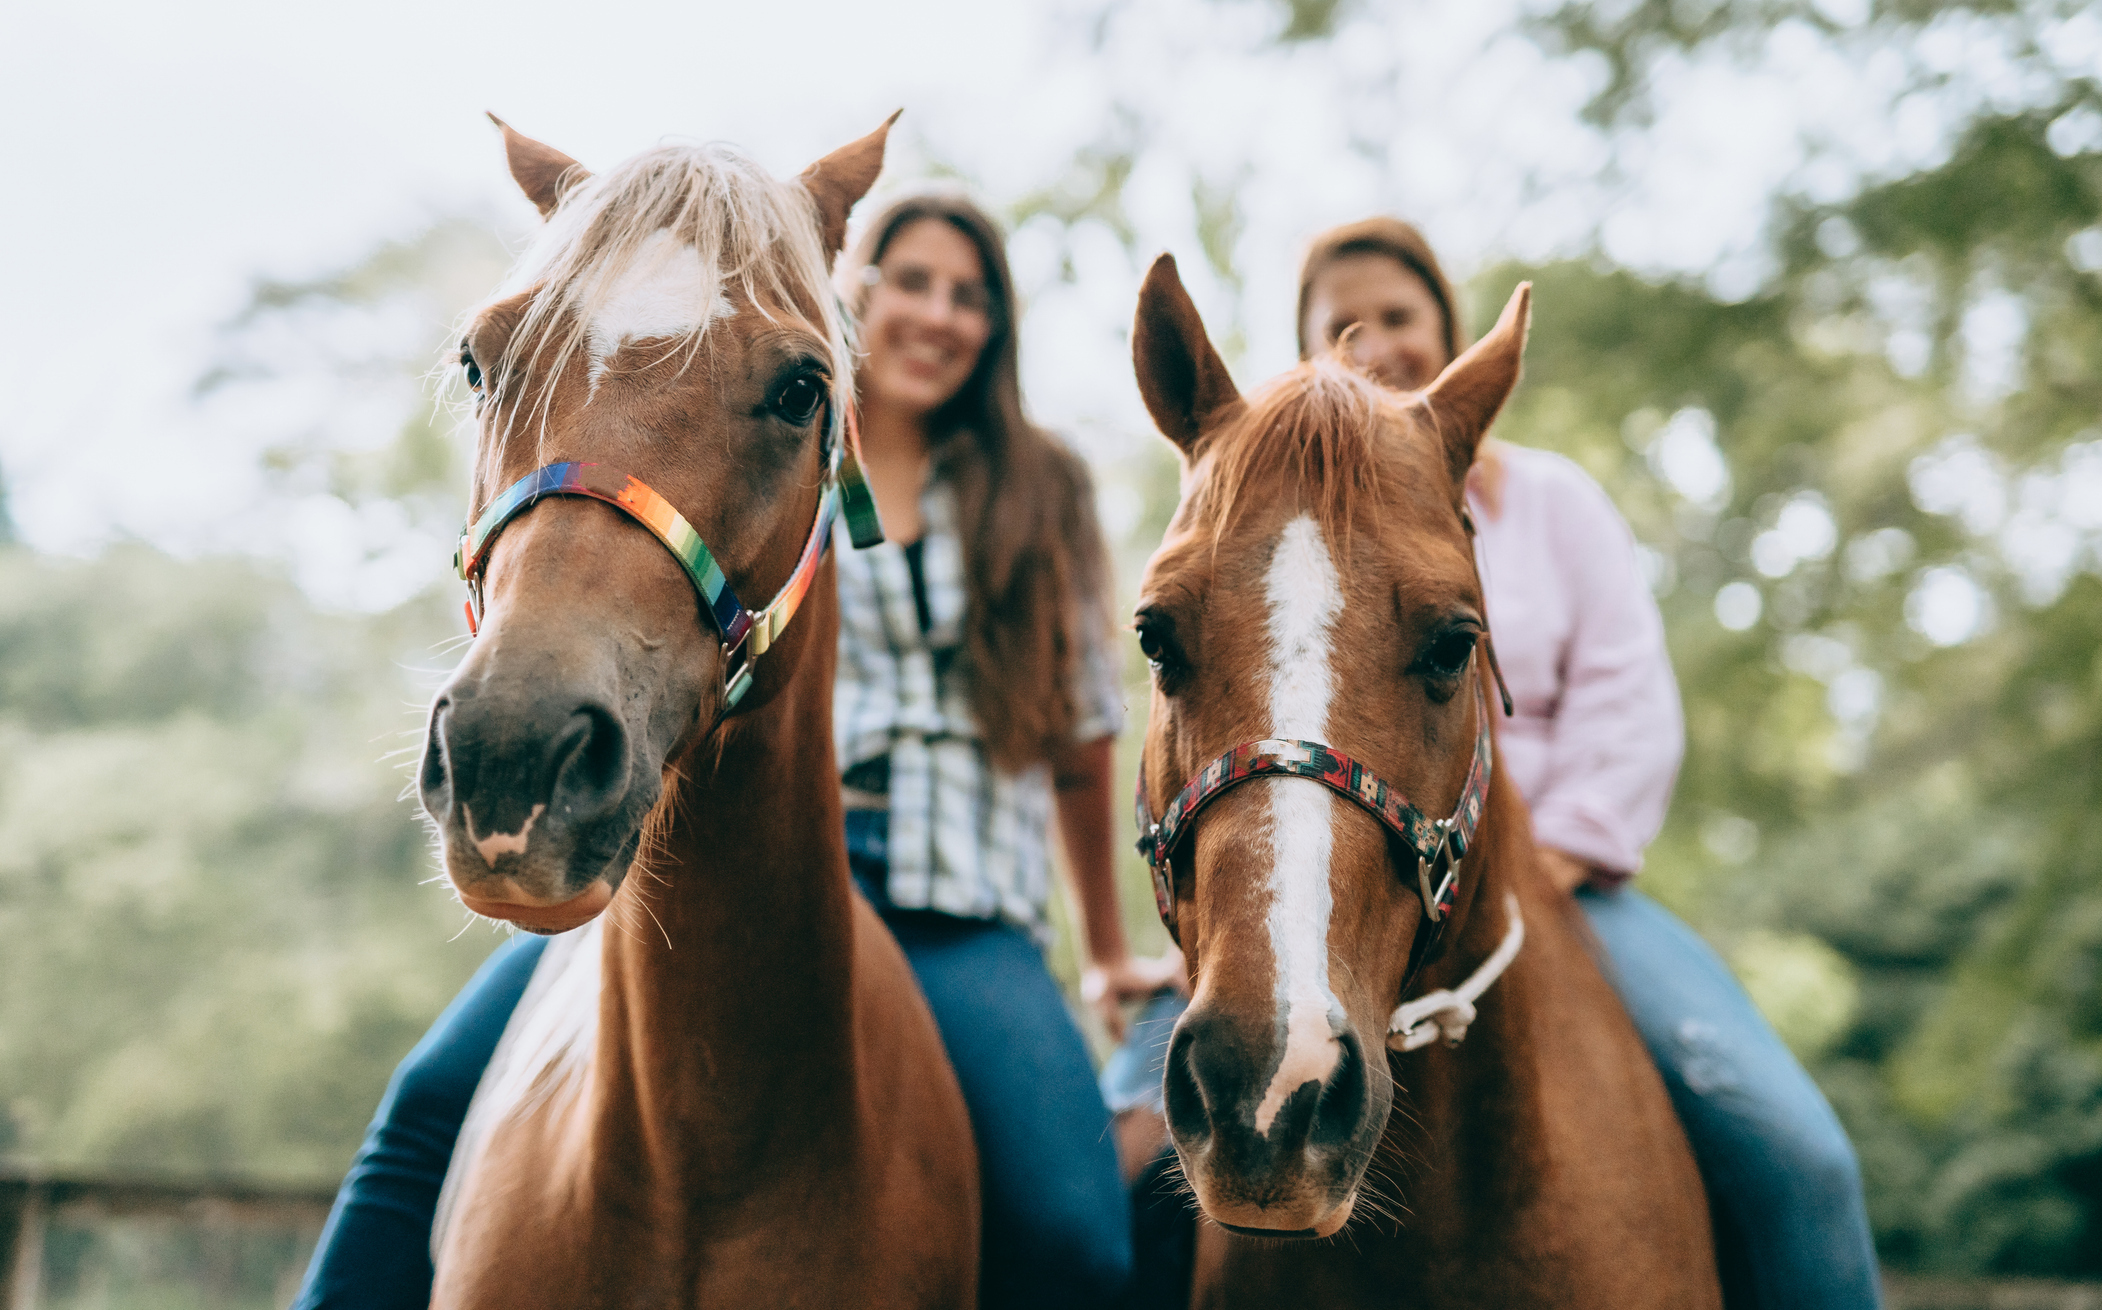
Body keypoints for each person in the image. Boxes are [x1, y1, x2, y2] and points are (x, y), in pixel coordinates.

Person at [293, 188, 1179, 1310]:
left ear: (996, 329)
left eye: (970, 296)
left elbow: (1080, 726)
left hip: (949, 899)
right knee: (424, 1110)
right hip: (726, 866)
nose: (937, 314)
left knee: (1071, 1232)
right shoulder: (749, 423)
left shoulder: (1035, 486)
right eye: (912, 281)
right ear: (853, 288)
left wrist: (1104, 947)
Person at [1104, 216, 1885, 1310]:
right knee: (1107, 1171)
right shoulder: (1272, 521)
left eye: (1401, 316)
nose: (1374, 343)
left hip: (1564, 882)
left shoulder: (1558, 504)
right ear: (1307, 349)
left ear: (1451, 333)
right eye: (1341, 325)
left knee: (1794, 1154)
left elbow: (1629, 705)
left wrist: (1555, 857)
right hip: (1327, 886)